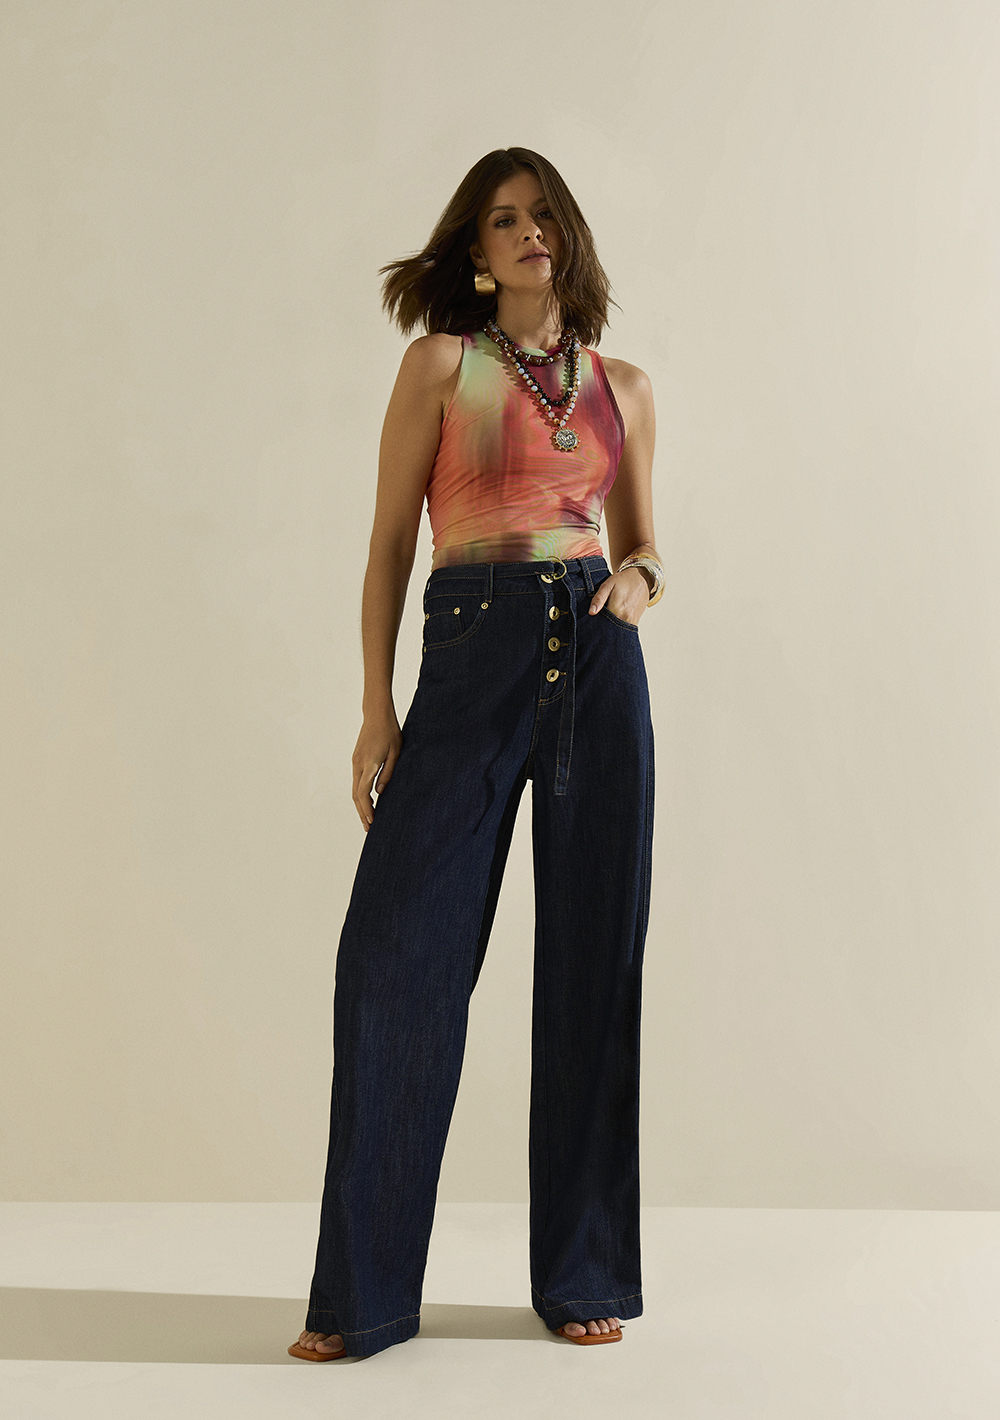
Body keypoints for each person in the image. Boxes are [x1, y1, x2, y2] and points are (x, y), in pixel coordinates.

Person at [288, 147, 663, 1363]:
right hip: (469, 648)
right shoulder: (442, 366)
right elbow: (389, 544)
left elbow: (644, 543)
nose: (528, 232)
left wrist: (639, 585)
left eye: (543, 215)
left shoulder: (623, 386)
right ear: (476, 250)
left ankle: (584, 1272)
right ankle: (362, 1297)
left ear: (569, 234)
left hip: (595, 659)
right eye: (503, 220)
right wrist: (376, 707)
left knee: (594, 965)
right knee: (394, 961)